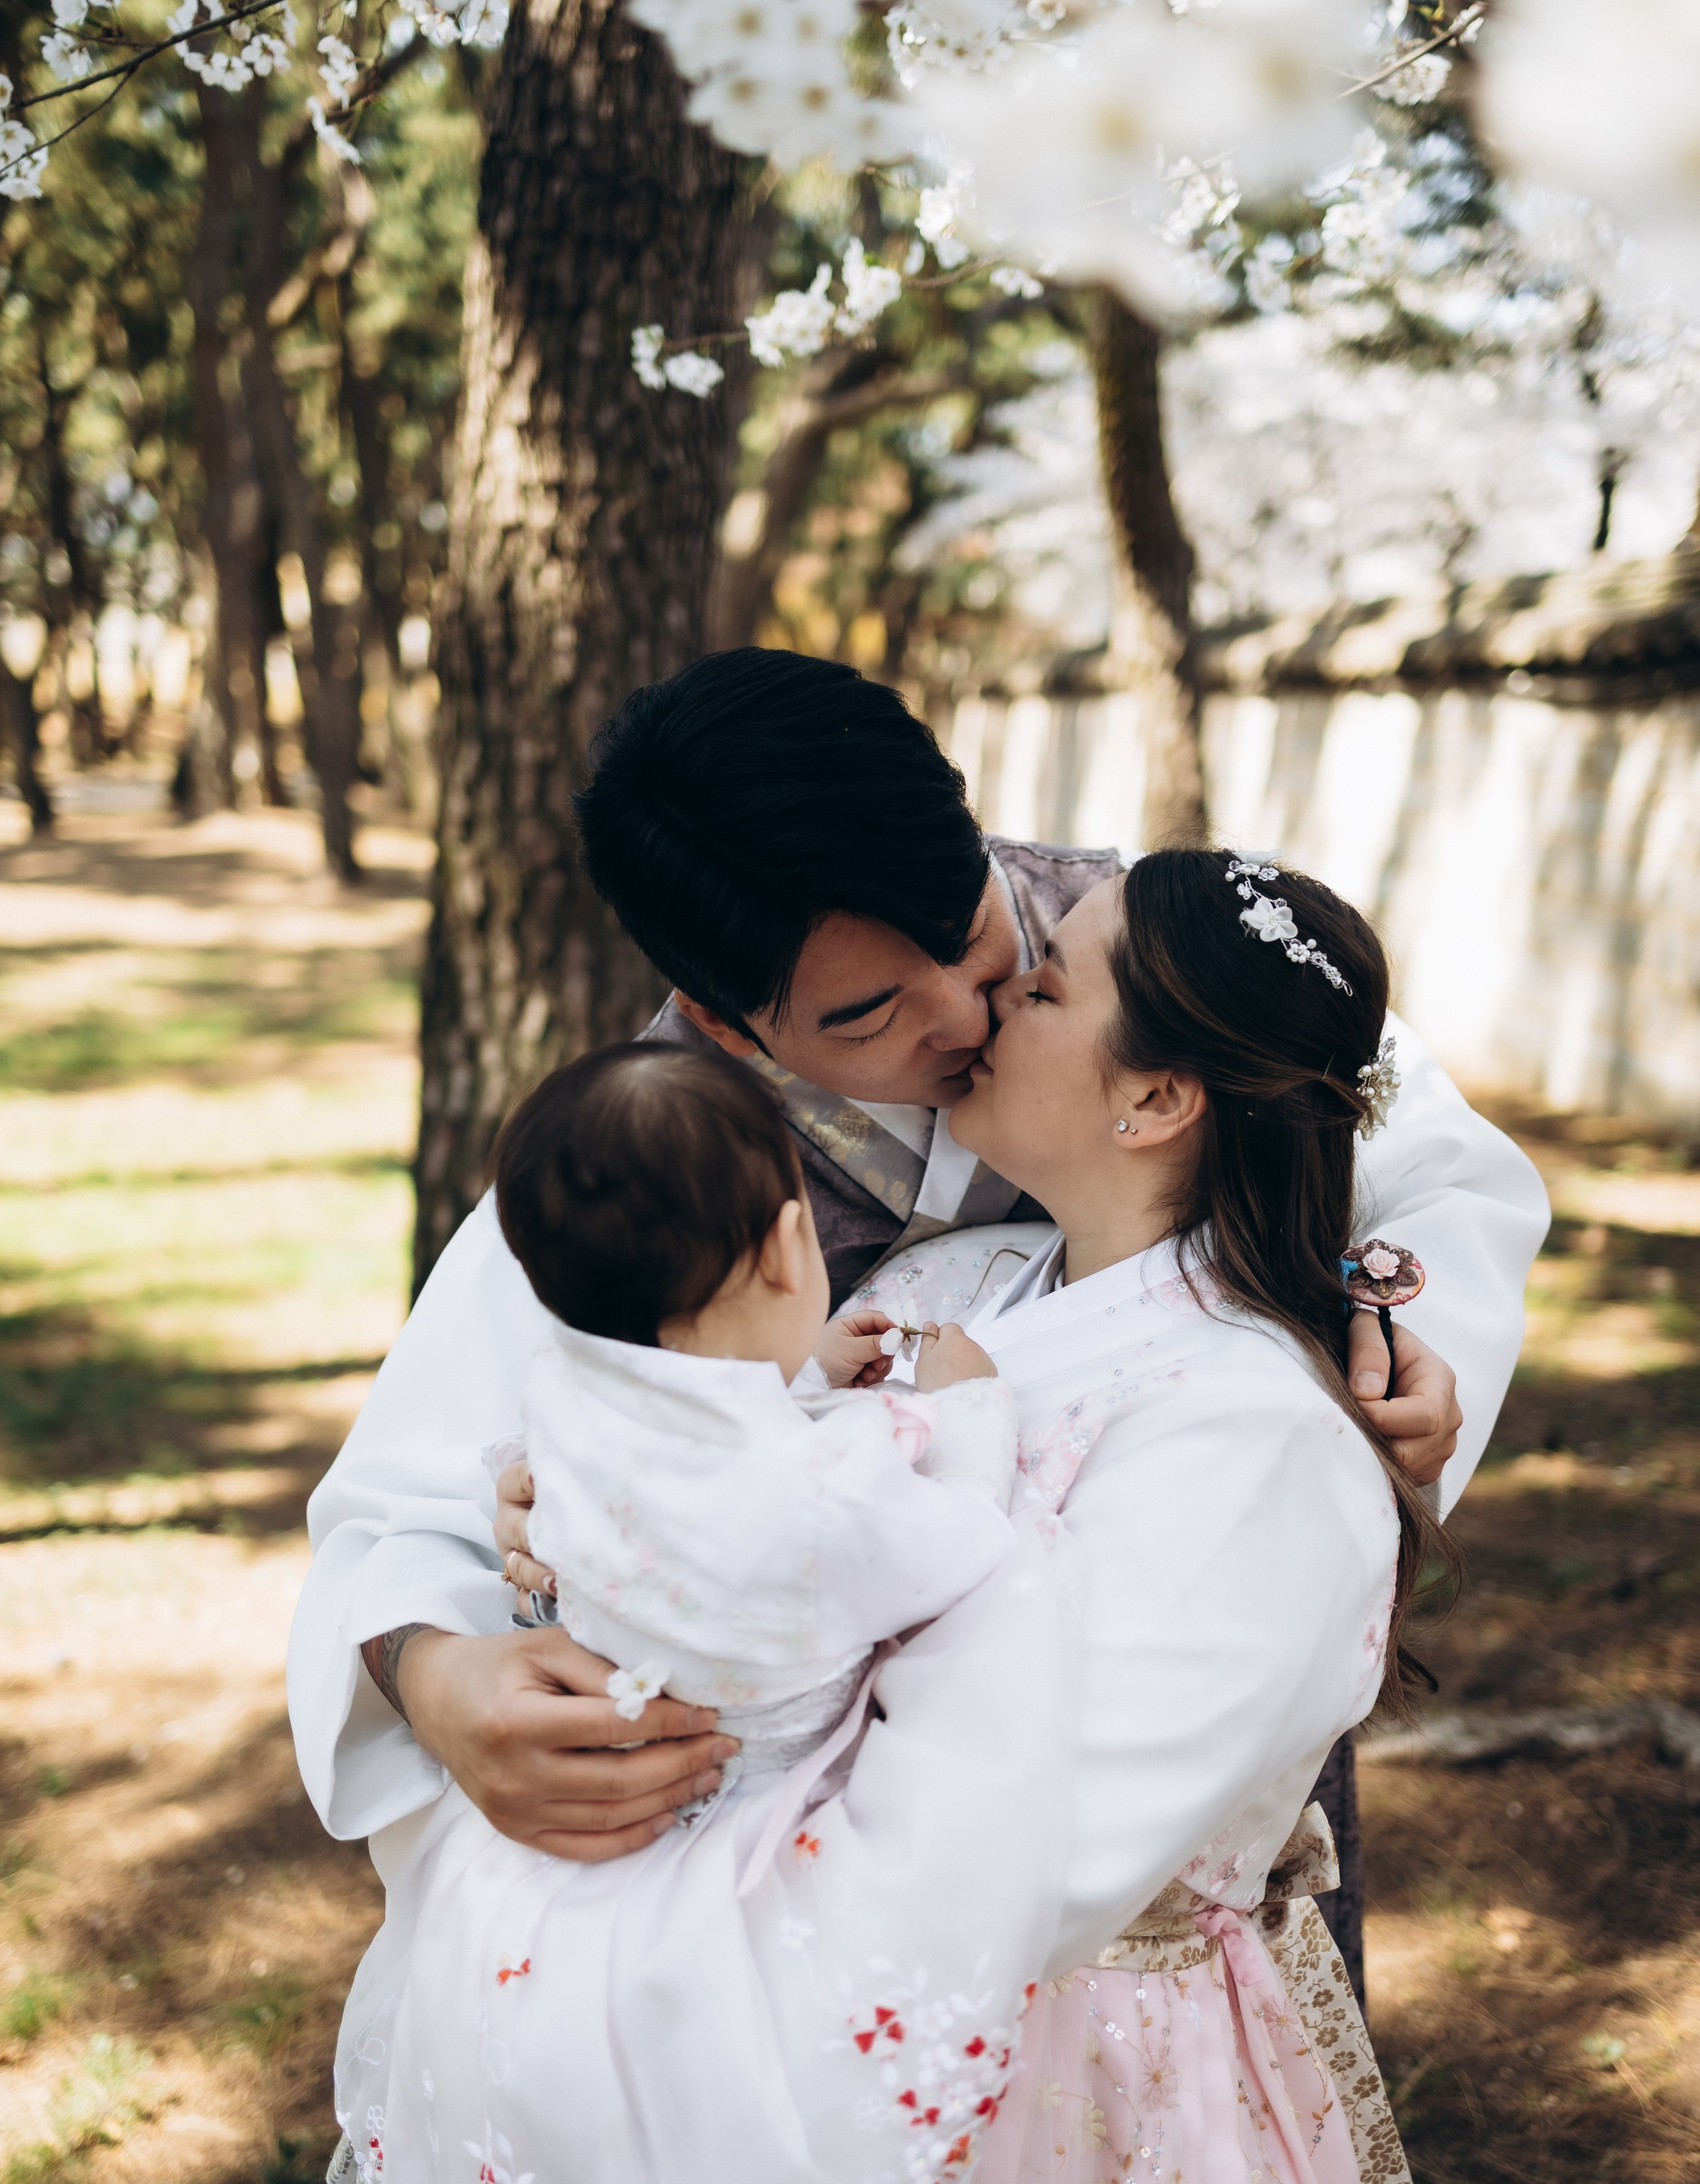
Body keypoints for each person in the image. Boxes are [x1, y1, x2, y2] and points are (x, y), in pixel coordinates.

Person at [272, 850, 1464, 2184]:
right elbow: (736, 1522)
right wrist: (581, 1540)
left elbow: (1044, 1847)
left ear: (1152, 1102)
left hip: (1021, 2085)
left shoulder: (1256, 1436)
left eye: (1041, 986)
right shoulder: (934, 1296)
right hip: (796, 1996)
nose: (985, 1010)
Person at [286, 651, 1549, 2013]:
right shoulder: (643, 1159)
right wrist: (437, 1676)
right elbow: (407, 1502)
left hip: (1178, 1805)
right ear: (727, 1022)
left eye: (969, 933)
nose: (966, 1017)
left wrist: (1388, 1338)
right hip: (844, 1907)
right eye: (868, 1015)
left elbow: (1436, 1171)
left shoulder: (1153, 950)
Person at [294, 1041, 1079, 2184]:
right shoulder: (820, 1505)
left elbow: (706, 1431)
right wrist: (959, 1412)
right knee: (719, 2176)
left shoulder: (560, 1416)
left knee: (566, 2167)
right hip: (733, 1860)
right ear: (792, 1244)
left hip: (538, 1892)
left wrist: (809, 1378)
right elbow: (945, 1541)